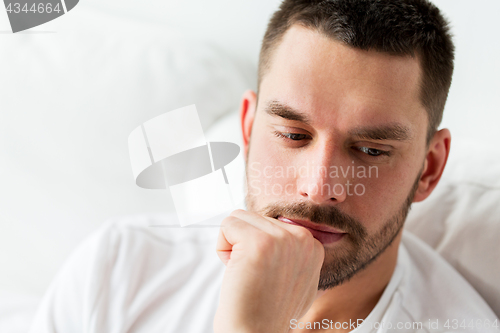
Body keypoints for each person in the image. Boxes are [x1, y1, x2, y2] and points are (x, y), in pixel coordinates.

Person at [30, 0, 499, 332]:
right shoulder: (120, 269)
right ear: (249, 129)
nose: (317, 188)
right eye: (294, 135)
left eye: (371, 151)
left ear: (430, 168)